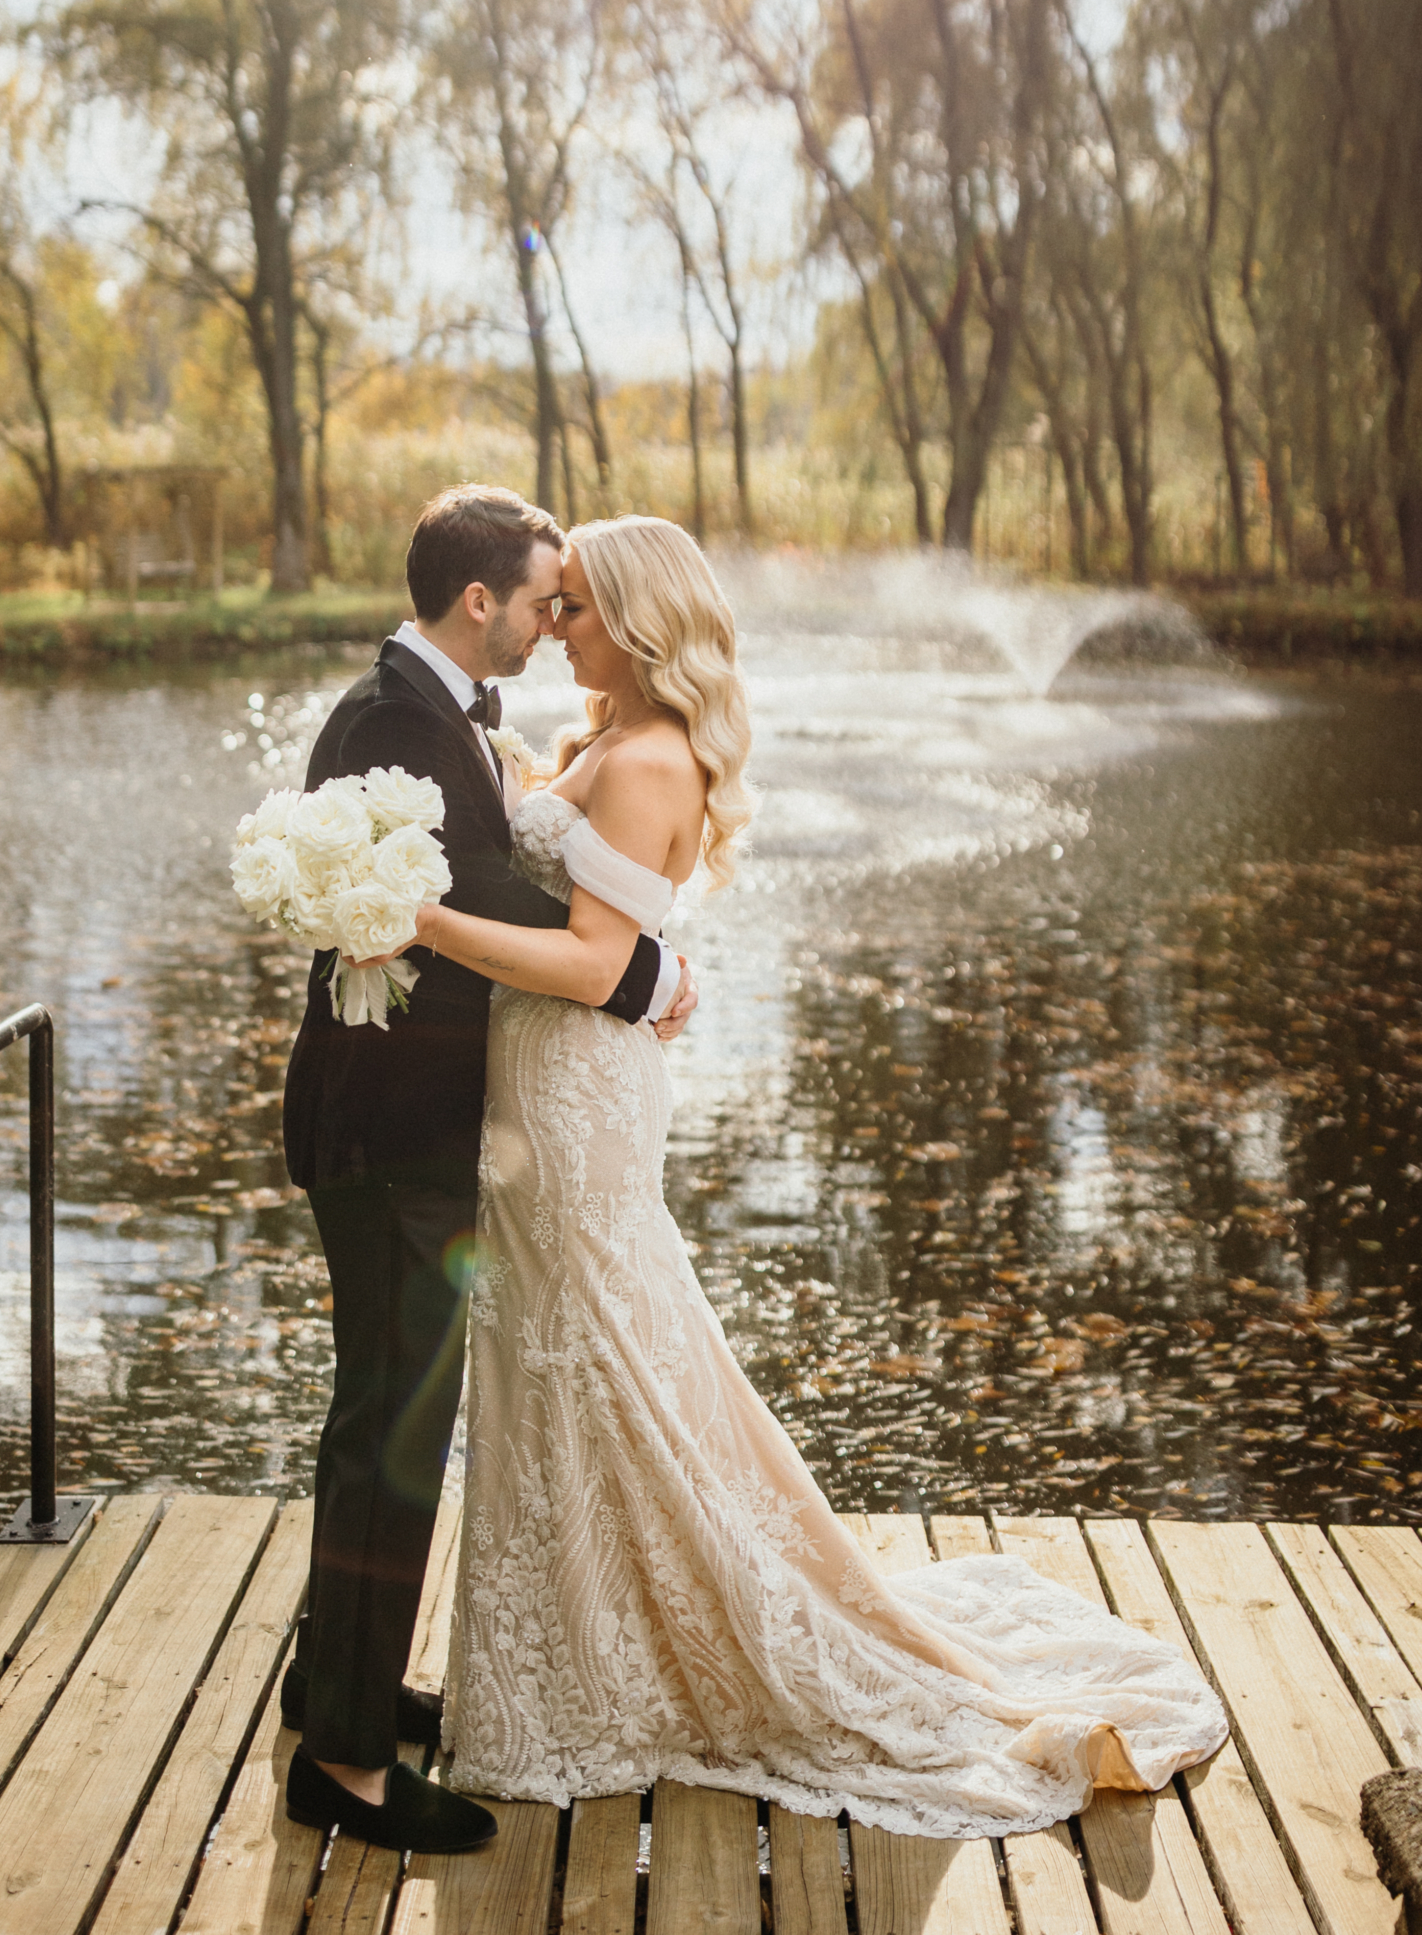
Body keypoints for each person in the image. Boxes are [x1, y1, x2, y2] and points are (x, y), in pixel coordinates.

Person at [395, 513, 1228, 1836]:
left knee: (589, 1347)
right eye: (555, 609)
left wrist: (423, 920)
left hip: (575, 1099)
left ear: (640, 623)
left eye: (581, 611)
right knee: (563, 1350)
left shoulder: (649, 757)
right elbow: (591, 922)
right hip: (546, 1088)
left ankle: (617, 1669)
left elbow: (593, 961)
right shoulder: (603, 739)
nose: (559, 629)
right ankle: (561, 1658)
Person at [276, 485, 696, 1859]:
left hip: (401, 1132)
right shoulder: (399, 722)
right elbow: (491, 908)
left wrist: (633, 955)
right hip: (392, 1137)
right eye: (540, 598)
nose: (549, 617)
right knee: (394, 1434)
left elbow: (486, 886)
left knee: (378, 1422)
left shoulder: (423, 714)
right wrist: (649, 972)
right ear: (480, 603)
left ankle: (337, 1688)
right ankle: (340, 1763)